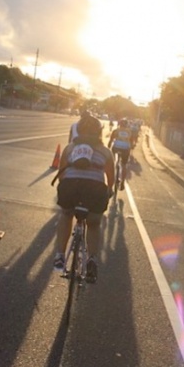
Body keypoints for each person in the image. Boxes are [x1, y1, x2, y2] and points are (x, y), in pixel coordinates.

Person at [53, 114, 115, 282]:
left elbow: (62, 173)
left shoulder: (70, 147)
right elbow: (110, 178)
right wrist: (109, 191)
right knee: (93, 224)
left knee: (66, 215)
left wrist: (66, 188)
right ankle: (92, 259)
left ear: (78, 130)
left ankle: (59, 255)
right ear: (99, 132)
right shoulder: (105, 152)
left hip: (71, 187)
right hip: (95, 190)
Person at [108, 118, 134, 191]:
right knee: (124, 165)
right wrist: (130, 147)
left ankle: (113, 166)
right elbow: (131, 142)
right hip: (125, 148)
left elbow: (111, 140)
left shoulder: (116, 131)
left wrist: (109, 145)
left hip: (116, 147)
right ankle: (122, 182)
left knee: (112, 161)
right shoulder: (129, 132)